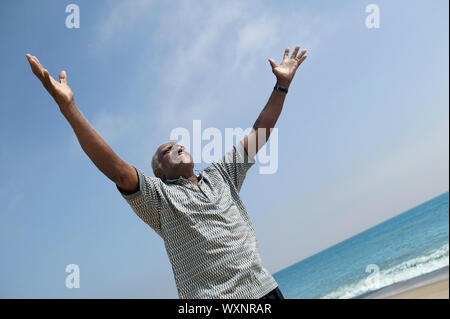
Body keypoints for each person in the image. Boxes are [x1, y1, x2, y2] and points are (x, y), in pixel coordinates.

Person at [25, 45, 307, 299]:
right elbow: (117, 170)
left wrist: (281, 84)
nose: (175, 147)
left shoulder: (222, 174)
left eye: (177, 143)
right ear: (158, 174)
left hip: (264, 288)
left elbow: (259, 133)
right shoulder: (159, 198)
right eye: (165, 151)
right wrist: (69, 107)